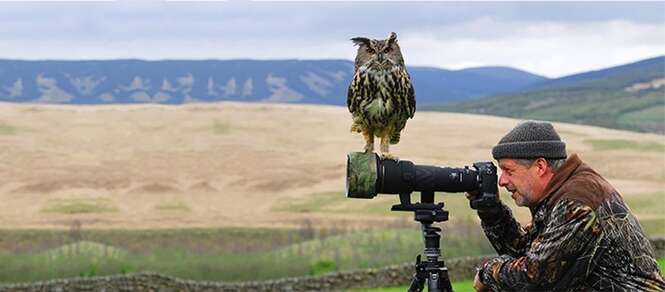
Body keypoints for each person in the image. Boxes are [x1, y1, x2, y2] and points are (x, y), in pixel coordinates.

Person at [470, 120, 665, 291]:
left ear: (540, 166)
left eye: (508, 170)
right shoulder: (559, 194)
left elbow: (535, 278)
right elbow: (525, 252)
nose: (502, 181)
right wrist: (490, 210)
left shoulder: (577, 202)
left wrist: (488, 272)